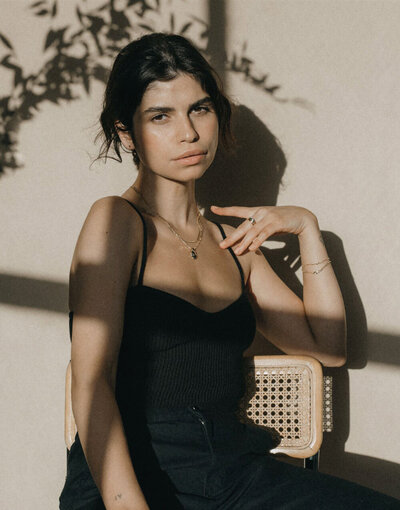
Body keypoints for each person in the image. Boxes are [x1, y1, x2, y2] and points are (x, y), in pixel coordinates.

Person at [59, 32, 400, 510]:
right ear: (125, 132)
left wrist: (307, 229)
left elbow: (327, 347)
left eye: (200, 109)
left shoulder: (233, 244)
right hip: (132, 473)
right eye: (161, 116)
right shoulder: (116, 221)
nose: (189, 133)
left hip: (231, 471)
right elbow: (92, 382)